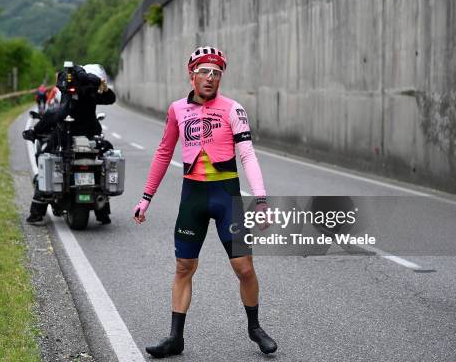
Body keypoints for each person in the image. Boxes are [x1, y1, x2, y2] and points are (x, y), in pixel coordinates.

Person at [133, 46, 277, 357]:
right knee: (184, 266)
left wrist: (261, 199)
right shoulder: (176, 110)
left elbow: (248, 154)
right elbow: (162, 153)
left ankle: (255, 328)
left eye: (216, 72)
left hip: (227, 196)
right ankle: (175, 338)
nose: (210, 77)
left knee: (244, 268)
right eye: (204, 71)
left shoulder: (233, 109)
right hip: (193, 197)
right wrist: (146, 198)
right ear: (192, 74)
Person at [23, 63, 116, 225]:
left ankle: (37, 213)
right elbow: (110, 98)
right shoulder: (91, 95)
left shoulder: (71, 97)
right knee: (102, 161)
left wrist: (35, 131)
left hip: (66, 139)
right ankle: (103, 212)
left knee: (48, 160)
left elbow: (55, 114)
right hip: (90, 139)